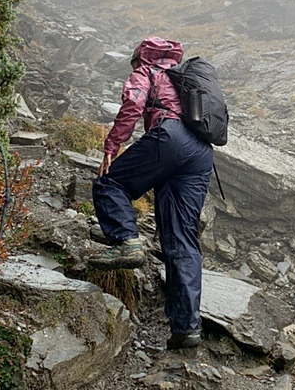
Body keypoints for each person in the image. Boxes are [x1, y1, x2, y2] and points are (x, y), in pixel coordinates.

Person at [89, 37, 213, 349]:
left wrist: (111, 147)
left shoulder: (146, 71)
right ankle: (186, 329)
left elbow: (133, 104)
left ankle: (127, 242)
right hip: (200, 153)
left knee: (110, 183)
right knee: (182, 239)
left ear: (139, 58)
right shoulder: (184, 76)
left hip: (170, 137)